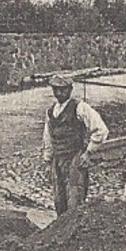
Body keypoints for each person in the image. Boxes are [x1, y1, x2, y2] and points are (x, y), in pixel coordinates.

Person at [40, 73, 109, 215]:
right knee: (59, 199)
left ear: (70, 89)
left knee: (74, 200)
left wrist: (88, 153)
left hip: (74, 158)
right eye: (56, 89)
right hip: (57, 160)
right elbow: (48, 136)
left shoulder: (80, 108)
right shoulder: (50, 111)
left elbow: (101, 130)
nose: (59, 93)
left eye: (63, 89)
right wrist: (48, 158)